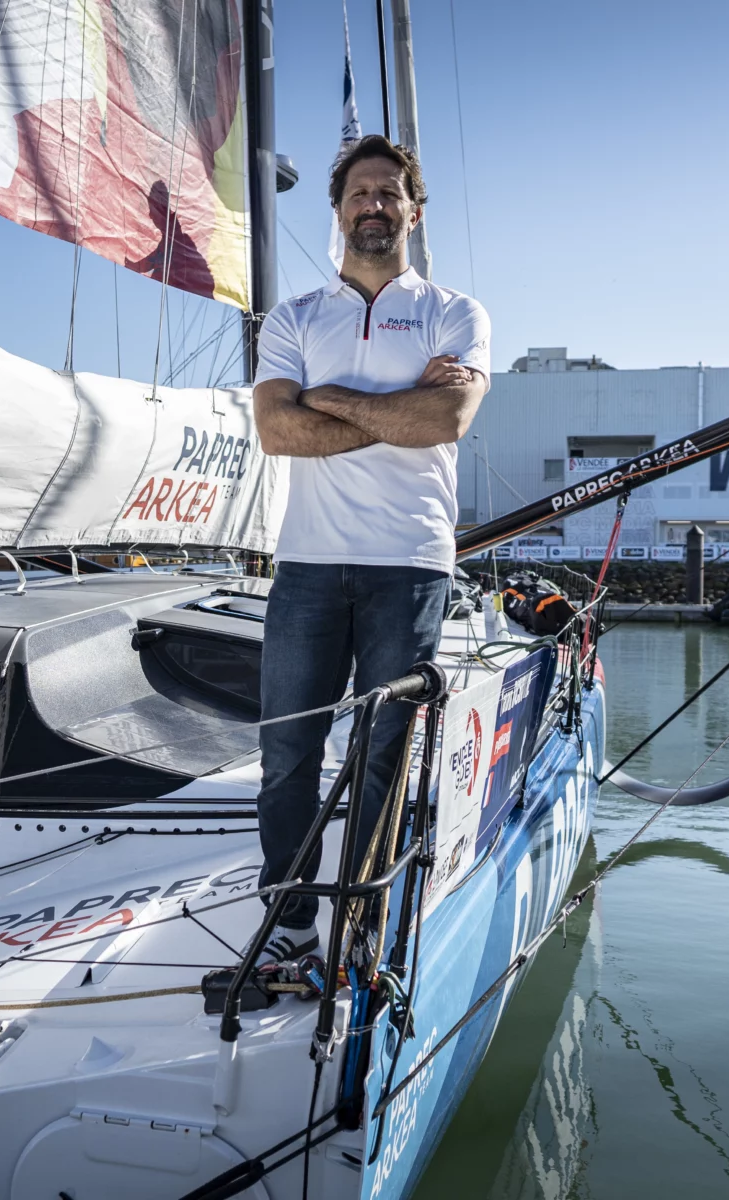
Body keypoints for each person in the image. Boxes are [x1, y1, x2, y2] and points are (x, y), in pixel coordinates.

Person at [248, 134, 490, 964]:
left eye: (390, 193)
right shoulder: (296, 318)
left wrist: (331, 399)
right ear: (339, 210)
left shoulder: (455, 312)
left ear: (412, 212)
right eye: (360, 193)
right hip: (309, 565)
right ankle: (288, 924)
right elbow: (278, 432)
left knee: (382, 752)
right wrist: (392, 408)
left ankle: (358, 925)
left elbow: (445, 422)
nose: (374, 205)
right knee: (287, 753)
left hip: (411, 563)